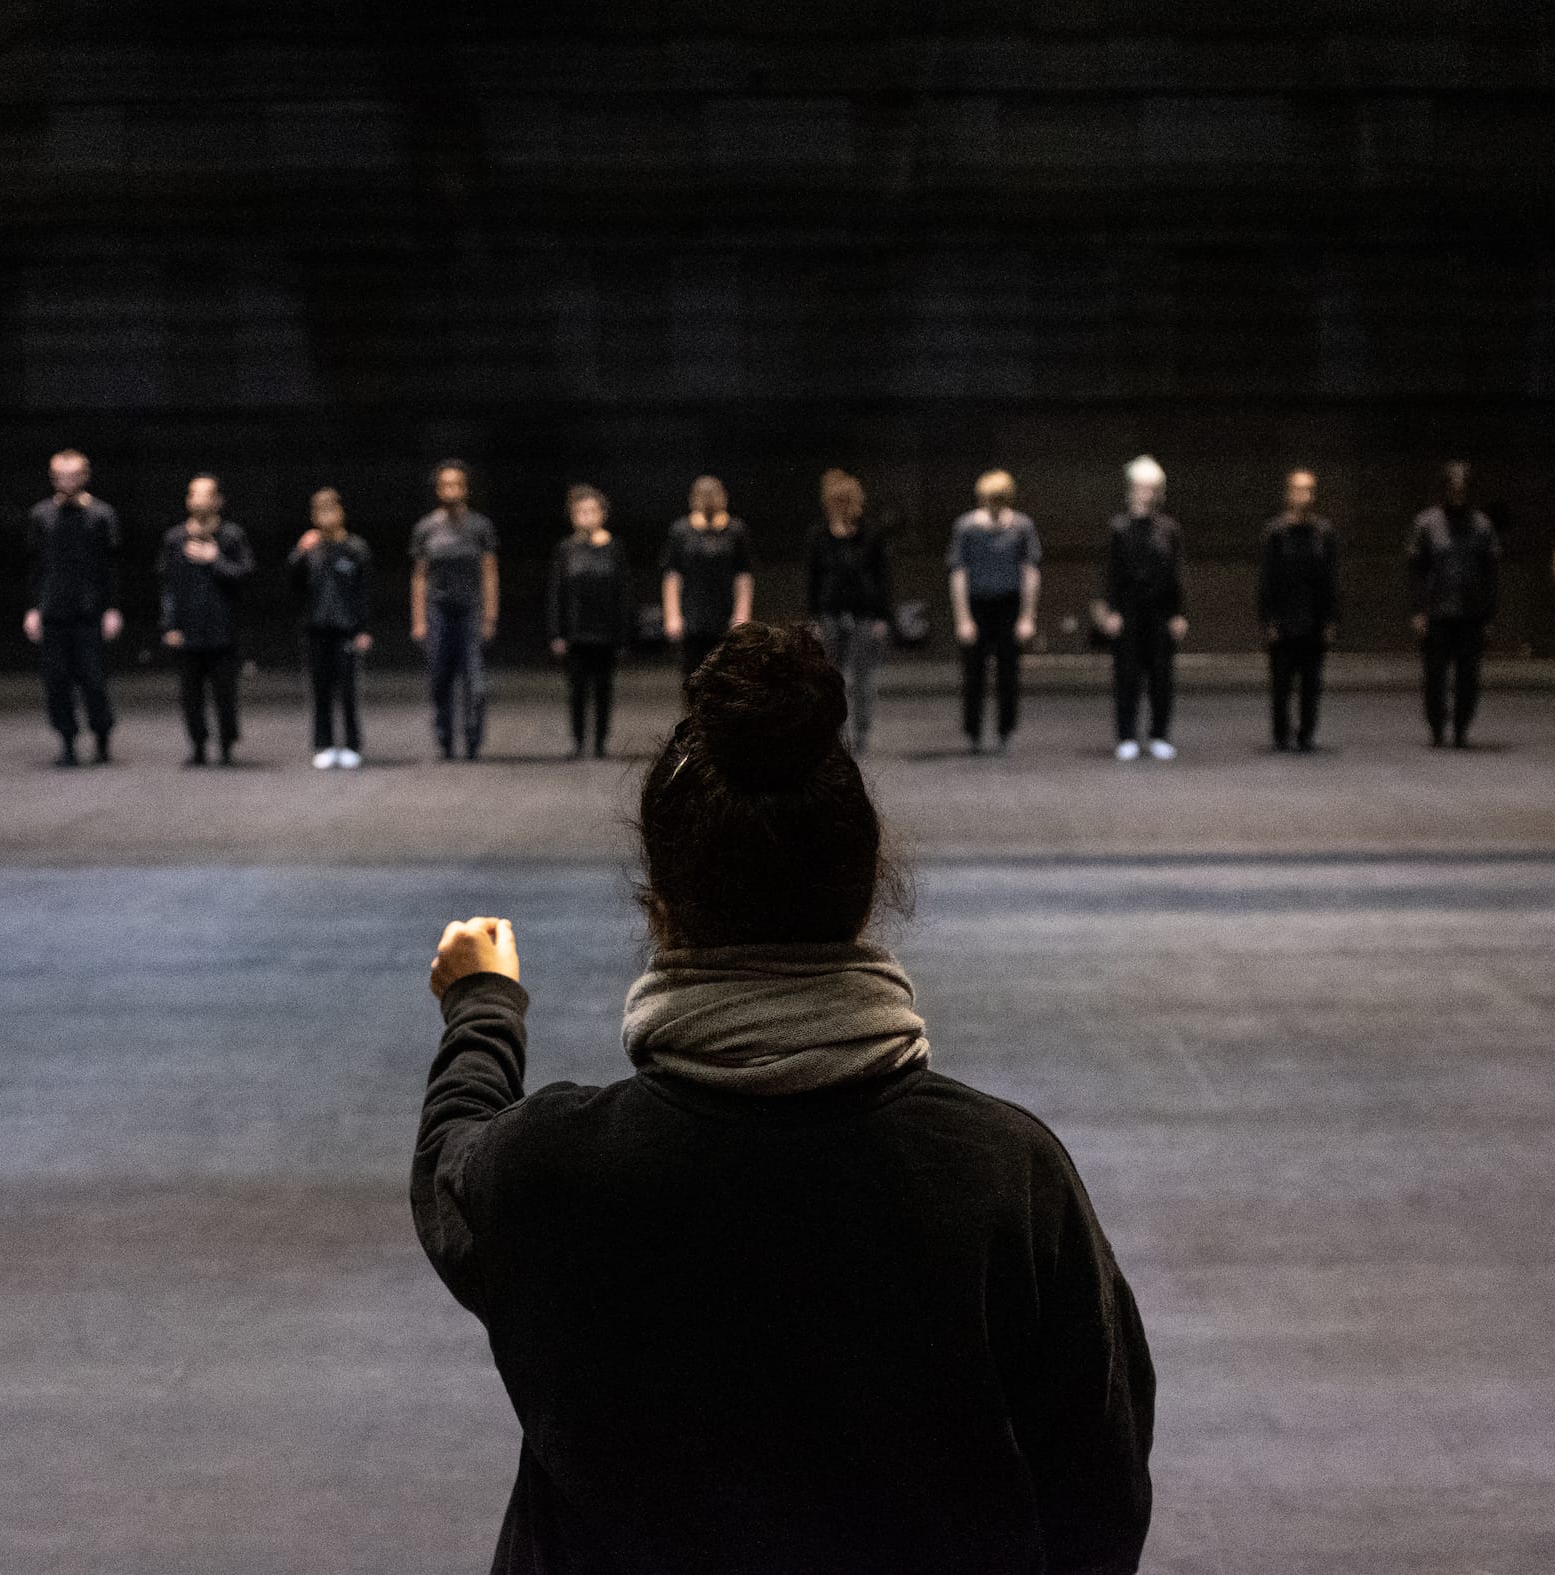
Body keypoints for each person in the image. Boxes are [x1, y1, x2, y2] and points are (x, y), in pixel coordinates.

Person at [412, 623, 1155, 1575]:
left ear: (662, 906)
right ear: (862, 891)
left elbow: (451, 1160)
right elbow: (1102, 1486)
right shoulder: (1006, 1173)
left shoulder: (552, 1167)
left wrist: (484, 1007)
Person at [23, 449, 122, 768]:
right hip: (53, 610)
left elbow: (112, 566)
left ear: (85, 476)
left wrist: (112, 608)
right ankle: (67, 740)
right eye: (60, 475)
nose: (66, 481)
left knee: (93, 679)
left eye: (72, 475)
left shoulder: (101, 515)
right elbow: (35, 566)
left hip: (89, 612)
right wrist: (33, 608)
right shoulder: (42, 516)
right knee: (56, 681)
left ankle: (102, 735)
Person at [157, 473, 256, 767]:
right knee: (190, 694)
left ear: (218, 501)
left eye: (205, 495)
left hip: (222, 629)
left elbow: (245, 574)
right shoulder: (175, 539)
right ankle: (198, 744)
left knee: (225, 693)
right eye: (193, 494)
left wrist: (216, 560)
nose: (198, 500)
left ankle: (226, 743)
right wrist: (170, 625)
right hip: (188, 629)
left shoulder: (231, 537)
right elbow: (168, 586)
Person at [1096, 455, 1188, 762]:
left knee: (1162, 676)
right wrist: (1112, 611)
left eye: (1151, 488)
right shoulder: (1119, 528)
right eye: (1140, 488)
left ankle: (1159, 735)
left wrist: (1178, 613)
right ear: (1131, 490)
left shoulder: (1169, 529)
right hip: (1129, 611)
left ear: (1159, 491)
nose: (1145, 494)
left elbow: (1177, 573)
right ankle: (1126, 736)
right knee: (1127, 676)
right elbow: (1112, 573)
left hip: (1160, 612)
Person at [1407, 460, 1501, 748]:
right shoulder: (1426, 524)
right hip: (1437, 612)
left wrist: (1489, 616)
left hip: (1471, 614)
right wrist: (1417, 611)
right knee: (1434, 677)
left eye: (1462, 489)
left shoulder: (1482, 526)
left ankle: (1461, 728)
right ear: (1444, 489)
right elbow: (1415, 571)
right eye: (1453, 489)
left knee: (1468, 678)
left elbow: (1491, 574)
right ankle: (1437, 727)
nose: (1457, 495)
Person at [947, 469, 1041, 754]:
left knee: (1008, 673)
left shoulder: (1022, 526)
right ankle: (973, 731)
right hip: (978, 604)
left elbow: (1030, 571)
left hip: (1008, 604)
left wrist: (1027, 615)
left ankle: (1005, 730)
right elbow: (958, 572)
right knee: (973, 673)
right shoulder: (966, 527)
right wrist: (963, 618)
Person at [410, 459, 499, 761]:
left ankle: (473, 741)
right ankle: (445, 740)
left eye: (457, 484)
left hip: (470, 611)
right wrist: (419, 619)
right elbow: (419, 576)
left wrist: (490, 614)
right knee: (439, 679)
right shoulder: (426, 528)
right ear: (438, 490)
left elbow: (489, 571)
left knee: (475, 683)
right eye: (446, 485)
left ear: (465, 489)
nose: (452, 490)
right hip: (438, 612)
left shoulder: (479, 526)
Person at [806, 467, 893, 754]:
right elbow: (813, 579)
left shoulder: (871, 534)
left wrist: (883, 616)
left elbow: (882, 577)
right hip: (830, 614)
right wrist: (813, 617)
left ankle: (861, 733)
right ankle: (832, 733)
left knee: (861, 679)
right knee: (830, 678)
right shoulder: (819, 535)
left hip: (864, 614)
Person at [289, 486, 373, 769]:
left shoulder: (355, 548)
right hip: (316, 630)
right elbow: (293, 585)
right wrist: (300, 552)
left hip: (346, 630)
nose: (326, 517)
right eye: (320, 511)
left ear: (341, 512)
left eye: (331, 510)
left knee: (348, 691)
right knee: (320, 690)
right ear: (314, 516)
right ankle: (323, 744)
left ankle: (351, 744)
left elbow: (364, 591)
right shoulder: (310, 550)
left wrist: (363, 629)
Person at [546, 485, 632, 759]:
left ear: (602, 514)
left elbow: (623, 593)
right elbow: (556, 592)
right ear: (573, 516)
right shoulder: (566, 549)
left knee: (604, 688)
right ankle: (578, 742)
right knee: (577, 689)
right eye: (581, 512)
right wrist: (556, 632)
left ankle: (600, 743)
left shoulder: (614, 548)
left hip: (606, 632)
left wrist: (624, 633)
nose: (587, 516)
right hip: (576, 631)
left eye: (592, 511)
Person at [1257, 468, 1339, 752]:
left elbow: (1330, 579)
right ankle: (1281, 734)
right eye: (1298, 489)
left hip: (1313, 620)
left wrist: (1330, 619)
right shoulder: (1275, 533)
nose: (1303, 495)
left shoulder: (1324, 533)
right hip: (1283, 620)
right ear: (1289, 494)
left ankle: (1306, 734)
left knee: (1311, 684)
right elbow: (1266, 579)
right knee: (1281, 685)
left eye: (1308, 490)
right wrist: (1268, 619)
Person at [660, 474, 754, 682]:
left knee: (726, 673)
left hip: (724, 610)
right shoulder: (681, 530)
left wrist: (741, 613)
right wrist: (672, 614)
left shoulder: (735, 530)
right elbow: (672, 576)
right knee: (693, 674)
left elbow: (744, 576)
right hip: (692, 612)